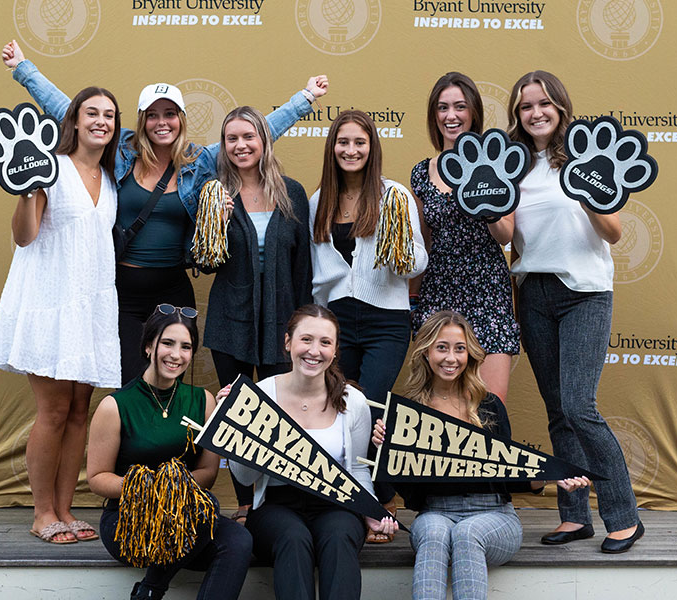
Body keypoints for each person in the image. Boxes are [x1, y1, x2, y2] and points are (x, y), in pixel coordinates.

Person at [1, 39, 328, 383]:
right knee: (131, 383)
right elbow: (69, 111)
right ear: (142, 120)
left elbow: (256, 134)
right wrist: (24, 70)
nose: (162, 122)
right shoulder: (120, 152)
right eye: (153, 115)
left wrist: (303, 100)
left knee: (168, 381)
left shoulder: (199, 162)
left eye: (169, 114)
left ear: (181, 119)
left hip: (173, 290)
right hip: (122, 289)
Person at [488, 70, 643, 553]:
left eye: (543, 104)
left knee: (580, 406)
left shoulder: (587, 157)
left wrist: (586, 193)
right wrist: (489, 202)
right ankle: (575, 517)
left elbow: (614, 233)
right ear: (517, 114)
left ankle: (624, 515)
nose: (535, 113)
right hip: (533, 291)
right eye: (525, 106)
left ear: (560, 106)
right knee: (559, 413)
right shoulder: (512, 166)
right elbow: (506, 237)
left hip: (584, 292)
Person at [0, 79, 121, 544]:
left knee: (81, 409)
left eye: (109, 115)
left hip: (92, 305)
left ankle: (65, 508)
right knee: (54, 410)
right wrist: (27, 189)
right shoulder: (51, 169)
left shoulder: (112, 180)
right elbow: (24, 237)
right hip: (49, 303)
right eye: (92, 113)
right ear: (75, 121)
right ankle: (43, 513)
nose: (101, 121)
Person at [371, 311, 589, 600]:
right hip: (434, 512)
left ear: (470, 354)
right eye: (442, 347)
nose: (451, 358)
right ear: (425, 353)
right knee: (435, 532)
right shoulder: (410, 412)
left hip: (494, 514)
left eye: (460, 348)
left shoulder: (488, 405)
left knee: (467, 533)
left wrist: (546, 478)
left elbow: (507, 476)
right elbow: (408, 494)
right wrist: (384, 450)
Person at [224, 304, 397, 600]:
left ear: (335, 350)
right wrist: (239, 424)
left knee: (340, 535)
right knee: (293, 538)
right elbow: (244, 476)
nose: (314, 351)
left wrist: (371, 512)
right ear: (288, 342)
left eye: (325, 342)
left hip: (335, 504)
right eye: (306, 339)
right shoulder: (260, 396)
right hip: (276, 505)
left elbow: (357, 469)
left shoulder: (353, 401)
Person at [309, 110, 428, 538]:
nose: (351, 150)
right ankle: (351, 501)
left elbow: (417, 262)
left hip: (386, 320)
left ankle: (378, 501)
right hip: (338, 322)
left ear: (372, 147)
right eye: (343, 142)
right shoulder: (318, 200)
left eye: (359, 142)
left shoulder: (394, 194)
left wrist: (398, 252)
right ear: (333, 148)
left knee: (369, 406)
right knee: (340, 409)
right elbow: (317, 268)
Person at [87, 305, 253, 600]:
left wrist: (175, 494)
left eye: (186, 347)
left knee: (237, 538)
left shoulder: (203, 401)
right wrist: (153, 488)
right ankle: (153, 590)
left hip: (190, 519)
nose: (176, 355)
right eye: (167, 343)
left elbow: (208, 473)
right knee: (204, 509)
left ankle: (149, 590)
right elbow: (98, 478)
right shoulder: (115, 406)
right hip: (130, 519)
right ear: (149, 345)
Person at [204, 106, 312, 523]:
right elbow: (203, 261)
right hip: (230, 323)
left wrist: (302, 323)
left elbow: (304, 265)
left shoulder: (292, 192)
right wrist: (211, 224)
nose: (240, 145)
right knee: (236, 414)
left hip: (283, 322)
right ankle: (247, 503)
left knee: (282, 411)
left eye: (248, 136)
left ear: (264, 141)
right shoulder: (214, 192)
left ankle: (280, 501)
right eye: (231, 138)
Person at [409, 72, 520, 403]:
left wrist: (485, 204)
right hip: (438, 292)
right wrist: (412, 304)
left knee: (490, 407)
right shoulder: (421, 172)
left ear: (473, 112)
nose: (451, 116)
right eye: (442, 108)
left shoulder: (497, 163)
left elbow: (505, 234)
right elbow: (422, 245)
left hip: (487, 290)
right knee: (438, 408)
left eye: (460, 106)